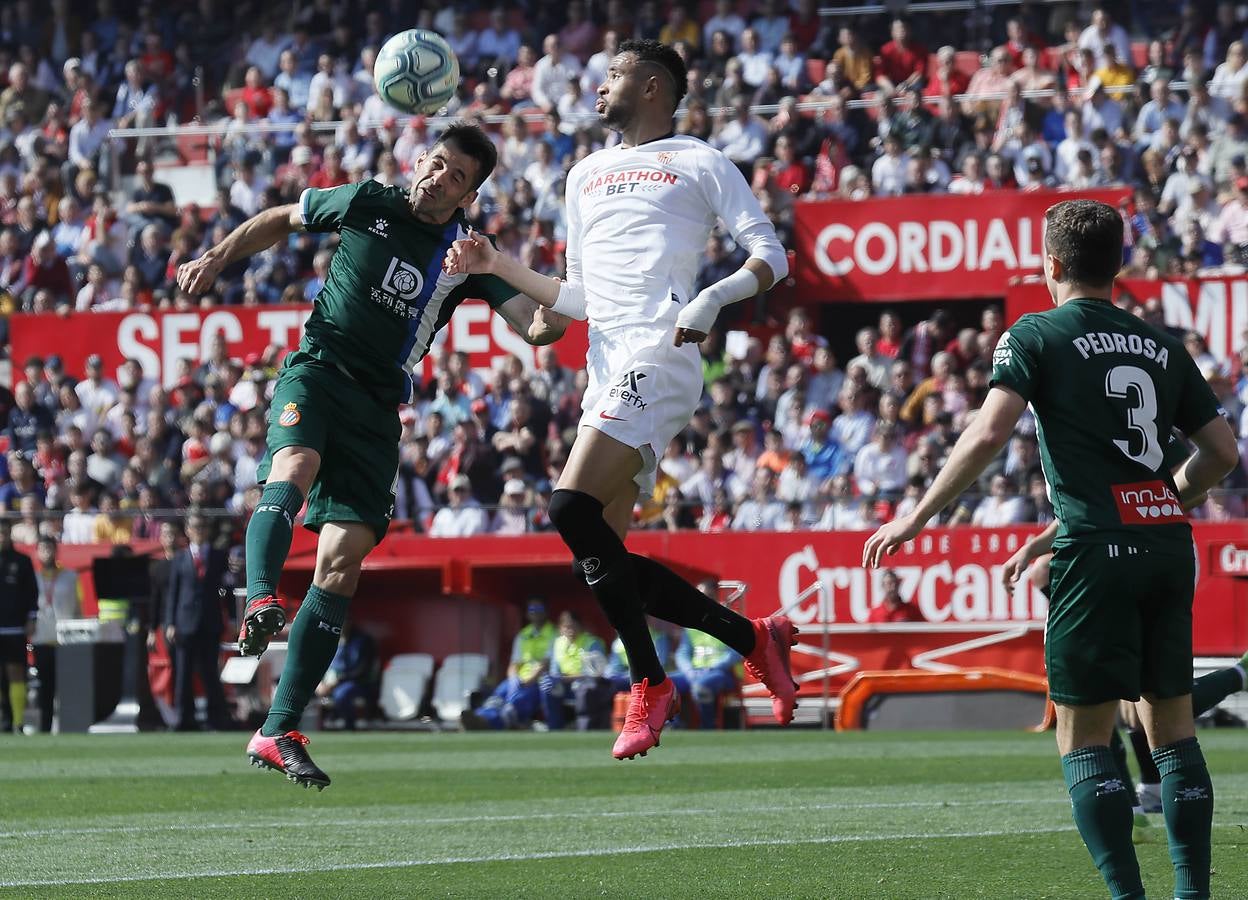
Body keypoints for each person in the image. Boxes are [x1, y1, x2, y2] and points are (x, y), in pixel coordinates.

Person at [864, 199, 1240, 900]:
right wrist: (1159, 499)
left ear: (1052, 264)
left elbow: (985, 434)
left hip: (1098, 555)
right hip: (1164, 548)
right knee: (1173, 732)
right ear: (1118, 265)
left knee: (1086, 738)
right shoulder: (1160, 344)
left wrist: (915, 518)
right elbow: (1220, 453)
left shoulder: (1035, 333)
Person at [176, 122, 568, 788]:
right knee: (293, 470)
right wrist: (217, 259)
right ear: (421, 160)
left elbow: (540, 328)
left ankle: (278, 729)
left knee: (343, 558)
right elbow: (281, 217)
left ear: (470, 191)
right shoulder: (369, 201)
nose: (439, 178)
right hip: (319, 370)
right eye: (437, 164)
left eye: (457, 176)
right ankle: (260, 599)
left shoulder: (466, 252)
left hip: (378, 410)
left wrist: (526, 277)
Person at [444, 39, 798, 762]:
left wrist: (710, 299)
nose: (598, 84)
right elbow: (579, 298)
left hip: (663, 351)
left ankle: (651, 683)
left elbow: (772, 255)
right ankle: (750, 636)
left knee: (568, 508)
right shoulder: (583, 174)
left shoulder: (700, 160)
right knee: (599, 557)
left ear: (654, 87)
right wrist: (495, 267)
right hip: (605, 367)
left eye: (613, 74)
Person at [1002, 516, 1248, 833]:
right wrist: (1032, 548)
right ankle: (1144, 795)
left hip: (1138, 555)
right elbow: (1071, 514)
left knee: (1143, 700)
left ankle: (1133, 806)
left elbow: (1189, 484)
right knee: (1123, 702)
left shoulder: (1116, 476)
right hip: (1118, 557)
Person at [165, 514, 232, 733]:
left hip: (209, 621)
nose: (199, 531)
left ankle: (217, 718)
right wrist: (170, 623)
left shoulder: (218, 556)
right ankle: (184, 719)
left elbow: (228, 590)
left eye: (203, 526)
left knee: (210, 673)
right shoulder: (180, 558)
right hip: (185, 622)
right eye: (195, 527)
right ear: (187, 530)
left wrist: (230, 618)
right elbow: (173, 593)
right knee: (183, 673)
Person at [461, 598, 557, 730]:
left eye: (539, 609)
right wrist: (513, 678)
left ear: (546, 612)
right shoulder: (523, 635)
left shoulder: (553, 634)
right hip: (520, 679)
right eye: (531, 610)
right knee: (497, 697)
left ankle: (488, 723)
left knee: (515, 703)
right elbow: (514, 662)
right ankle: (479, 718)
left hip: (539, 682)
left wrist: (528, 681)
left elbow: (546, 663)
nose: (535, 613)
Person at [675, 579, 742, 729]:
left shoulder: (729, 620)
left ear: (716, 597)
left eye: (708, 596)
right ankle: (674, 725)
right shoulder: (690, 623)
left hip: (721, 673)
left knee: (701, 687)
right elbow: (682, 653)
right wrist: (688, 670)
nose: (703, 600)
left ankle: (707, 726)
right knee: (664, 684)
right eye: (699, 596)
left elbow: (736, 652)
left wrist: (712, 668)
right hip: (694, 672)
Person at [31, 536, 80, 732]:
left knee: (67, 687)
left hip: (66, 639)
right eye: (43, 549)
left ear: (56, 551)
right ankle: (45, 727)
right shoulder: (33, 577)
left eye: (50, 548)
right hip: (42, 637)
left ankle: (68, 727)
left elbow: (78, 607)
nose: (47, 553)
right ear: (37, 552)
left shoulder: (70, 576)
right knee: (45, 686)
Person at [540, 609, 609, 731]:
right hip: (565, 685)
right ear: (560, 628)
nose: (570, 630)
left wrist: (562, 679)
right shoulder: (558, 643)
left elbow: (595, 675)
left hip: (585, 685)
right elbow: (555, 672)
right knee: (548, 686)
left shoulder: (592, 643)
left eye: (573, 626)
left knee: (585, 687)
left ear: (580, 626)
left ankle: (585, 728)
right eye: (566, 627)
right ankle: (554, 727)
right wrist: (552, 679)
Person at [0, 520, 37, 733]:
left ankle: (18, 722)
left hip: (14, 627)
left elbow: (32, 593)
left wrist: (31, 618)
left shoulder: (22, 561)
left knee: (16, 673)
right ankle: (3, 721)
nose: (2, 537)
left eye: (5, 533)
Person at [314, 620, 377, 730]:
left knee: (342, 694)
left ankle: (349, 727)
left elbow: (360, 670)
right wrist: (319, 682)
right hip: (328, 682)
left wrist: (337, 681)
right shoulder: (329, 640)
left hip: (356, 682)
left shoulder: (362, 641)